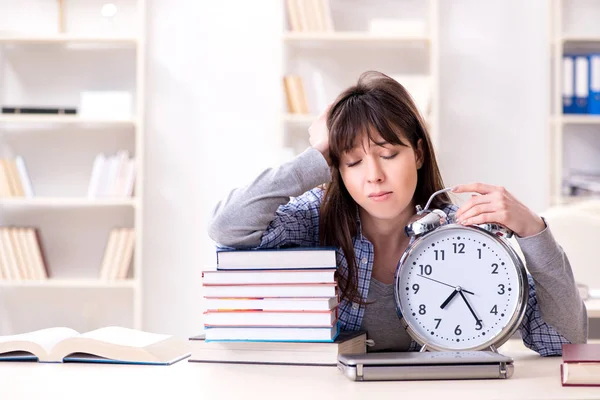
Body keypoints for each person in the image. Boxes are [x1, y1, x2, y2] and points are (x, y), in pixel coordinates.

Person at [208, 71, 587, 356]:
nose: (374, 175)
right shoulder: (316, 219)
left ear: (418, 154)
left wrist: (534, 231)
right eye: (353, 161)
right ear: (336, 168)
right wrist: (316, 156)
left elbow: (565, 341)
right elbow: (226, 227)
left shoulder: (465, 236)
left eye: (389, 154)